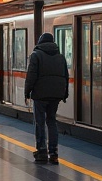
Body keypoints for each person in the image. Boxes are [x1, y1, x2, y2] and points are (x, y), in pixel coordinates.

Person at [24, 31, 70, 164]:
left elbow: (31, 76)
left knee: (40, 121)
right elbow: (65, 76)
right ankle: (54, 153)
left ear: (40, 42)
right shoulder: (61, 57)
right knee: (51, 121)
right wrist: (64, 93)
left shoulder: (36, 55)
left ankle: (42, 151)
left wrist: (27, 92)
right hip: (56, 94)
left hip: (40, 94)